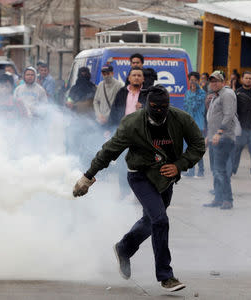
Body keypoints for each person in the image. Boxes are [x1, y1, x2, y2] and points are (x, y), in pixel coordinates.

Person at [72, 85, 205, 292]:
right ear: (145, 106)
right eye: (154, 107)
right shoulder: (132, 123)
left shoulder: (181, 119)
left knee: (151, 221)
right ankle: (166, 276)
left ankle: (124, 248)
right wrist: (88, 177)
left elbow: (198, 145)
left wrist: (179, 165)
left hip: (166, 177)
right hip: (140, 176)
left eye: (164, 107)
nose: (159, 111)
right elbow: (109, 151)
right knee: (160, 219)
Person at [109, 67, 146, 199]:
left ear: (143, 79)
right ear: (129, 78)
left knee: (140, 164)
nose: (136, 77)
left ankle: (139, 193)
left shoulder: (147, 94)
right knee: (121, 163)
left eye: (139, 75)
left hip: (141, 134)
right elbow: (114, 111)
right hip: (124, 133)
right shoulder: (122, 92)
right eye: (134, 75)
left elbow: (156, 111)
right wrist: (110, 129)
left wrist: (144, 108)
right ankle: (123, 190)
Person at [203, 70, 237, 210]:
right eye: (212, 81)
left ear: (223, 82)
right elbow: (213, 117)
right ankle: (218, 198)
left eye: (216, 81)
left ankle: (227, 199)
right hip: (214, 138)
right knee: (215, 170)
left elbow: (229, 115)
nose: (214, 83)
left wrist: (219, 132)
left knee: (221, 170)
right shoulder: (216, 96)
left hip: (223, 138)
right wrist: (209, 137)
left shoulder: (227, 94)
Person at [183, 71, 206, 177]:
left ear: (198, 81)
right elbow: (186, 108)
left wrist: (194, 92)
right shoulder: (187, 93)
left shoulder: (202, 93)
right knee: (189, 148)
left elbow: (194, 106)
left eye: (195, 80)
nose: (193, 82)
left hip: (198, 125)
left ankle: (200, 170)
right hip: (188, 124)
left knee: (197, 148)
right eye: (191, 80)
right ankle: (192, 171)